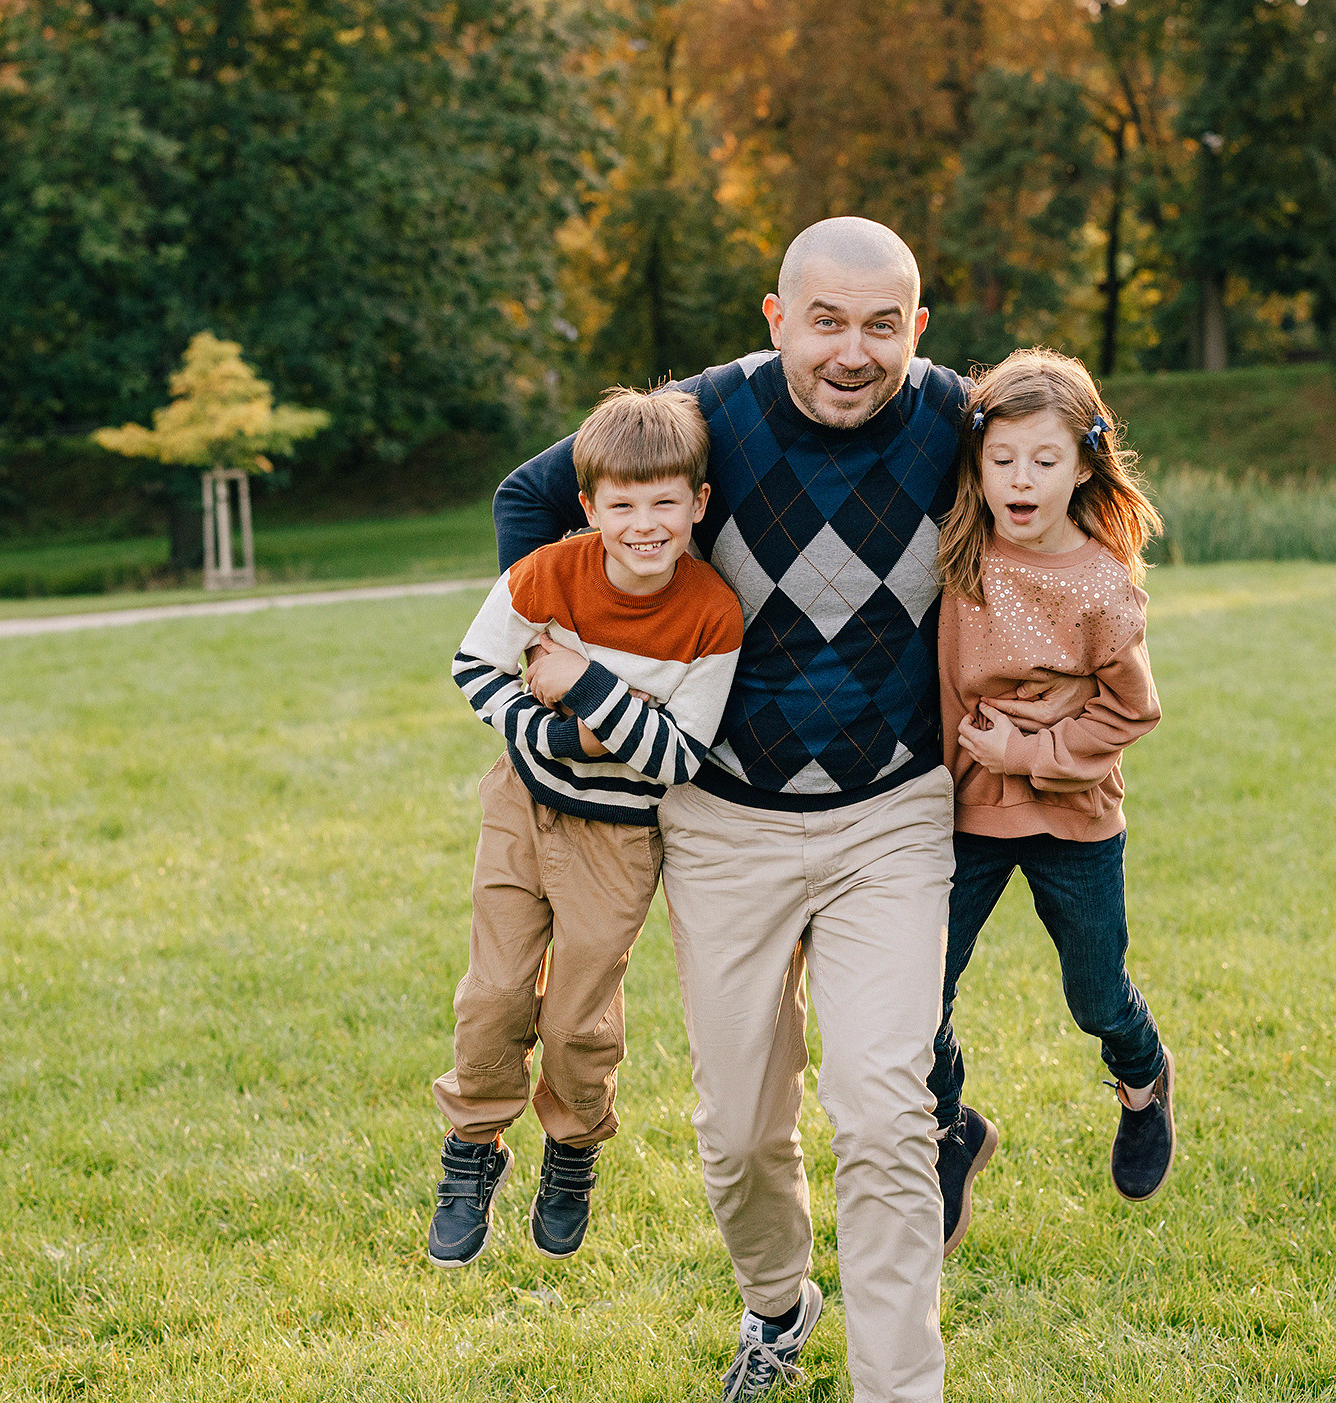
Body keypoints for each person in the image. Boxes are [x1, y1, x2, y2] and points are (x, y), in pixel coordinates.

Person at [494, 218, 970, 1403]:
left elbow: (1065, 441)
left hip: (890, 814)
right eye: (824, 321)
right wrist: (559, 643)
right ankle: (777, 1303)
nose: (851, 352)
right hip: (722, 815)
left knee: (879, 1109)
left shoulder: (958, 415)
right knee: (739, 1136)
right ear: (775, 319)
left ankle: (897, 1386)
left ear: (914, 327)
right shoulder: (711, 413)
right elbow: (531, 493)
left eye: (879, 326)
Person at [428, 387, 744, 1269]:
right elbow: (476, 665)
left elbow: (675, 756)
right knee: (493, 995)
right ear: (589, 506)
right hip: (522, 802)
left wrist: (584, 682)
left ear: (698, 504)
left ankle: (571, 1148)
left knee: (575, 1019)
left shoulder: (713, 615)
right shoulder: (547, 574)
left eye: (664, 503)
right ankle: (474, 1148)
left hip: (618, 835)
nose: (644, 525)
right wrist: (569, 731)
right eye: (622, 505)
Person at [930, 347, 1176, 1251]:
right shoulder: (957, 544)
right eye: (1002, 461)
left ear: (1083, 465)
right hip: (964, 814)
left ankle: (1143, 1081)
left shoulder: (1102, 583)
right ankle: (952, 1129)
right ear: (979, 463)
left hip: (1072, 815)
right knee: (918, 993)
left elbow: (1133, 709)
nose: (1021, 480)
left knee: (1095, 994)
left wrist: (1025, 750)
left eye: (1044, 461)